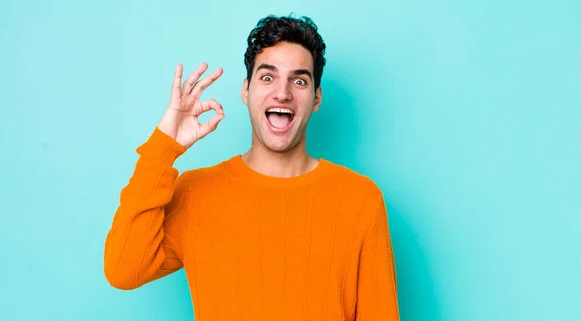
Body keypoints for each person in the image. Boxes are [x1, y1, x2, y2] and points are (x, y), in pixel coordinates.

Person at [103, 14, 400, 320]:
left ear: (316, 98)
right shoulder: (197, 193)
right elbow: (123, 269)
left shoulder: (360, 200)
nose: (282, 93)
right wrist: (163, 149)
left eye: (299, 80)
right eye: (267, 77)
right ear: (246, 91)